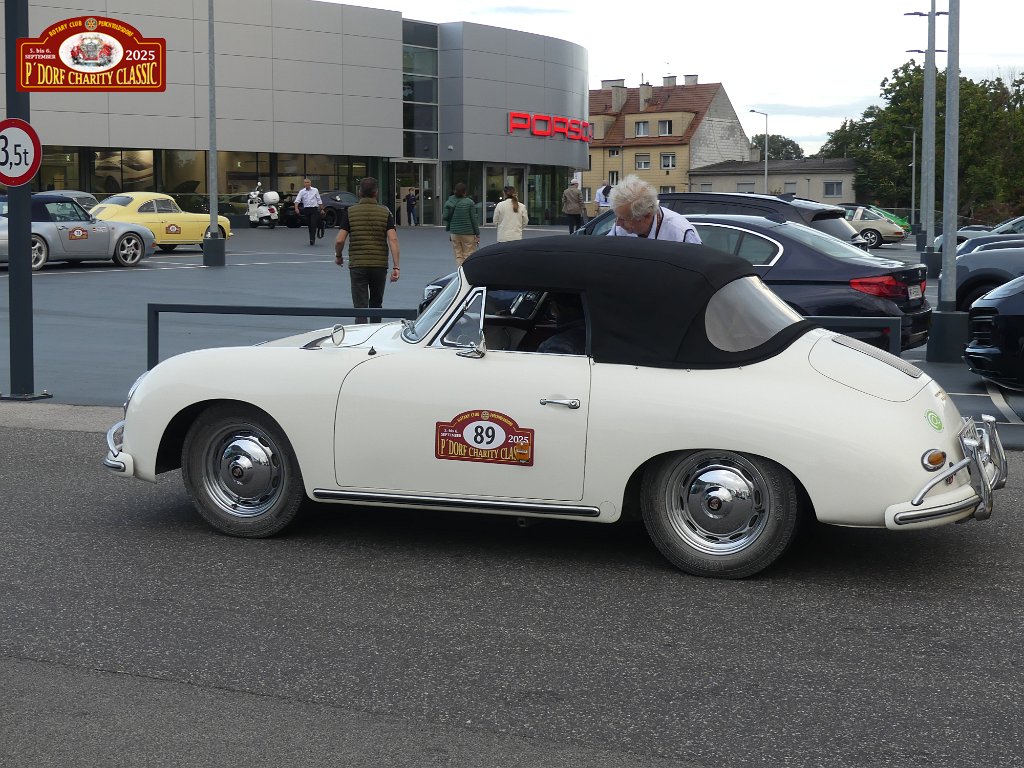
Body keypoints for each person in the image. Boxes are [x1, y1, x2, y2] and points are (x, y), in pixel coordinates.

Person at [334, 177, 400, 324]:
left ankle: (361, 333)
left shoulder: (350, 212)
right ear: (376, 193)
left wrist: (338, 255)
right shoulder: (385, 212)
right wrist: (396, 266)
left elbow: (339, 240)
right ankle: (375, 332)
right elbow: (393, 239)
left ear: (359, 192)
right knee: (376, 304)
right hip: (379, 265)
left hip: (358, 264)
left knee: (360, 307)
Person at [606, 174, 701, 243]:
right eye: (617, 217)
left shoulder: (680, 233)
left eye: (624, 219)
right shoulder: (620, 227)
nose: (618, 224)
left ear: (647, 216)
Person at [442, 182, 480, 266]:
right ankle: (468, 271)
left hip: (454, 232)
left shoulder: (449, 202)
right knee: (469, 254)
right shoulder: (469, 202)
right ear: (465, 192)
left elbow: (444, 217)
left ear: (455, 191)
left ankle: (460, 270)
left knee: (458, 255)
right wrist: (477, 234)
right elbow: (473, 219)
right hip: (468, 233)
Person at [294, 178, 324, 246]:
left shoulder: (315, 190)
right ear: (304, 184)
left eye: (308, 182)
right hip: (307, 209)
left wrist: (322, 209)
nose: (307, 183)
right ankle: (312, 237)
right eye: (305, 182)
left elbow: (319, 199)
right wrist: (296, 208)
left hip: (314, 209)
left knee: (313, 224)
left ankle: (312, 239)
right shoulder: (302, 191)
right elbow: (297, 200)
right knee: (309, 225)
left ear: (310, 183)